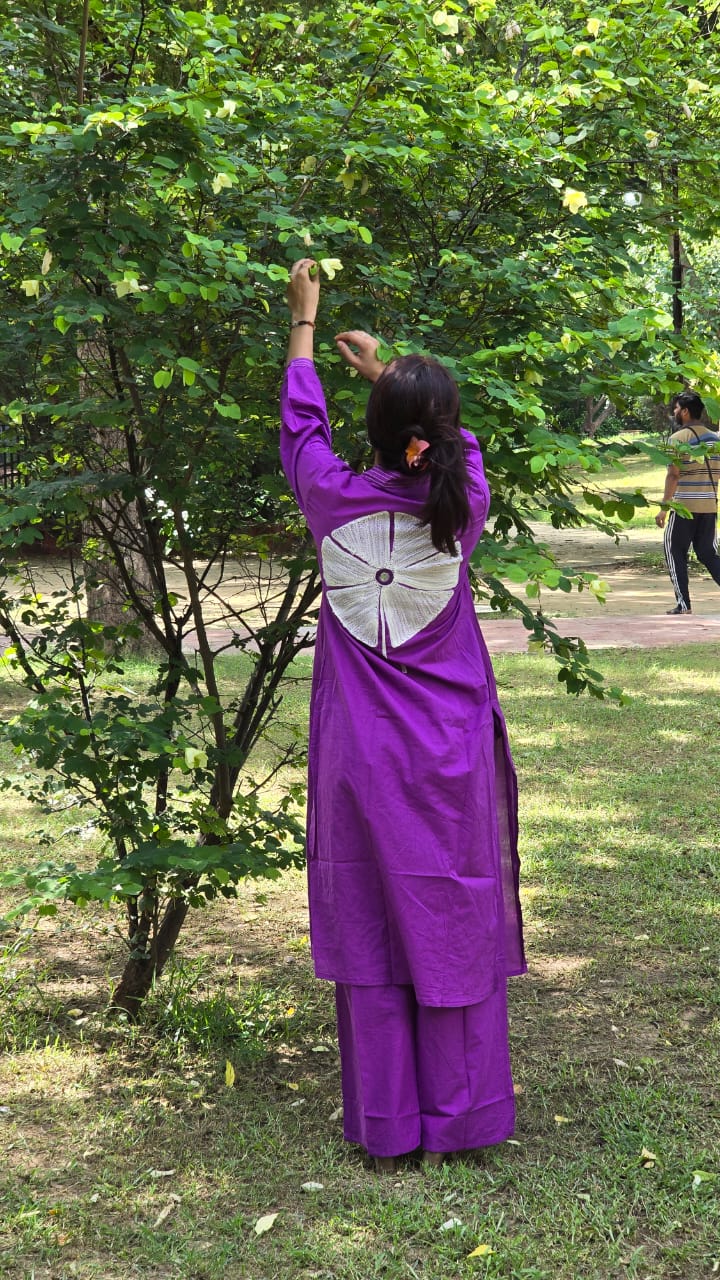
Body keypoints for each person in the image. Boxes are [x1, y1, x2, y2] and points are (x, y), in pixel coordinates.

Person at [279, 258, 525, 1172]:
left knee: (373, 924)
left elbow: (301, 428)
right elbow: (451, 446)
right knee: (453, 913)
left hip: (361, 758)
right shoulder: (461, 503)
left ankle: (388, 1123)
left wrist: (305, 326)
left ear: (377, 437)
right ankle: (464, 1118)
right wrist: (395, 377)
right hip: (450, 750)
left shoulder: (329, 497)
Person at [655, 390, 720, 615]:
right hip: (710, 506)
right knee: (707, 554)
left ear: (684, 411)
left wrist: (664, 509)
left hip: (684, 507)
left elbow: (673, 475)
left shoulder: (677, 439)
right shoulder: (716, 439)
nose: (674, 413)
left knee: (674, 551)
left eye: (675, 409)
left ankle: (684, 604)